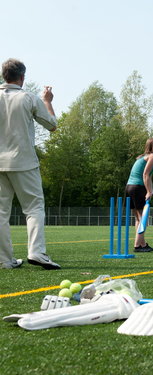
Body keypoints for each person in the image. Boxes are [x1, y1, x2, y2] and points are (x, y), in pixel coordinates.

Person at [0, 58, 61, 269]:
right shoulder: (28, 97)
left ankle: (5, 260)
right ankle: (36, 252)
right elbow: (52, 125)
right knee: (34, 208)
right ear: (22, 77)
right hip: (23, 162)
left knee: (0, 213)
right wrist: (48, 101)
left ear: (3, 75)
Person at [125, 138, 153, 252]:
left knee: (138, 219)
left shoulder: (142, 157)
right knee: (143, 220)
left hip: (130, 187)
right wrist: (149, 191)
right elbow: (145, 174)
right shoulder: (152, 157)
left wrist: (151, 189)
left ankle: (143, 244)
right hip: (138, 187)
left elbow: (149, 176)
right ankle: (137, 246)